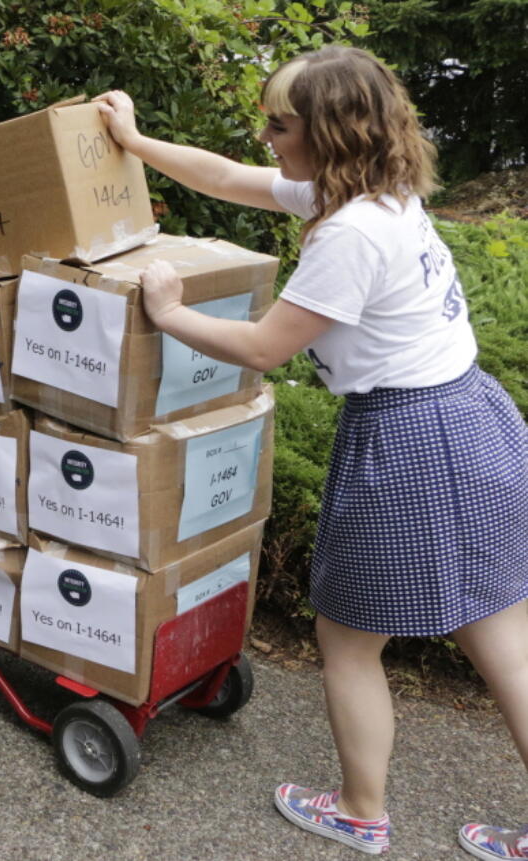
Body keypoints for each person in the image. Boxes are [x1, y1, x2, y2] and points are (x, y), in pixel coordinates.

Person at [96, 46, 528, 859]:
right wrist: (137, 139)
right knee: (503, 635)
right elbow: (226, 178)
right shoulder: (378, 192)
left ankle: (360, 810)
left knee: (347, 639)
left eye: (279, 124)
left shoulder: (351, 235)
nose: (266, 138)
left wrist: (167, 308)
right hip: (472, 419)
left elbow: (263, 347)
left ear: (328, 132)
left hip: (410, 439)